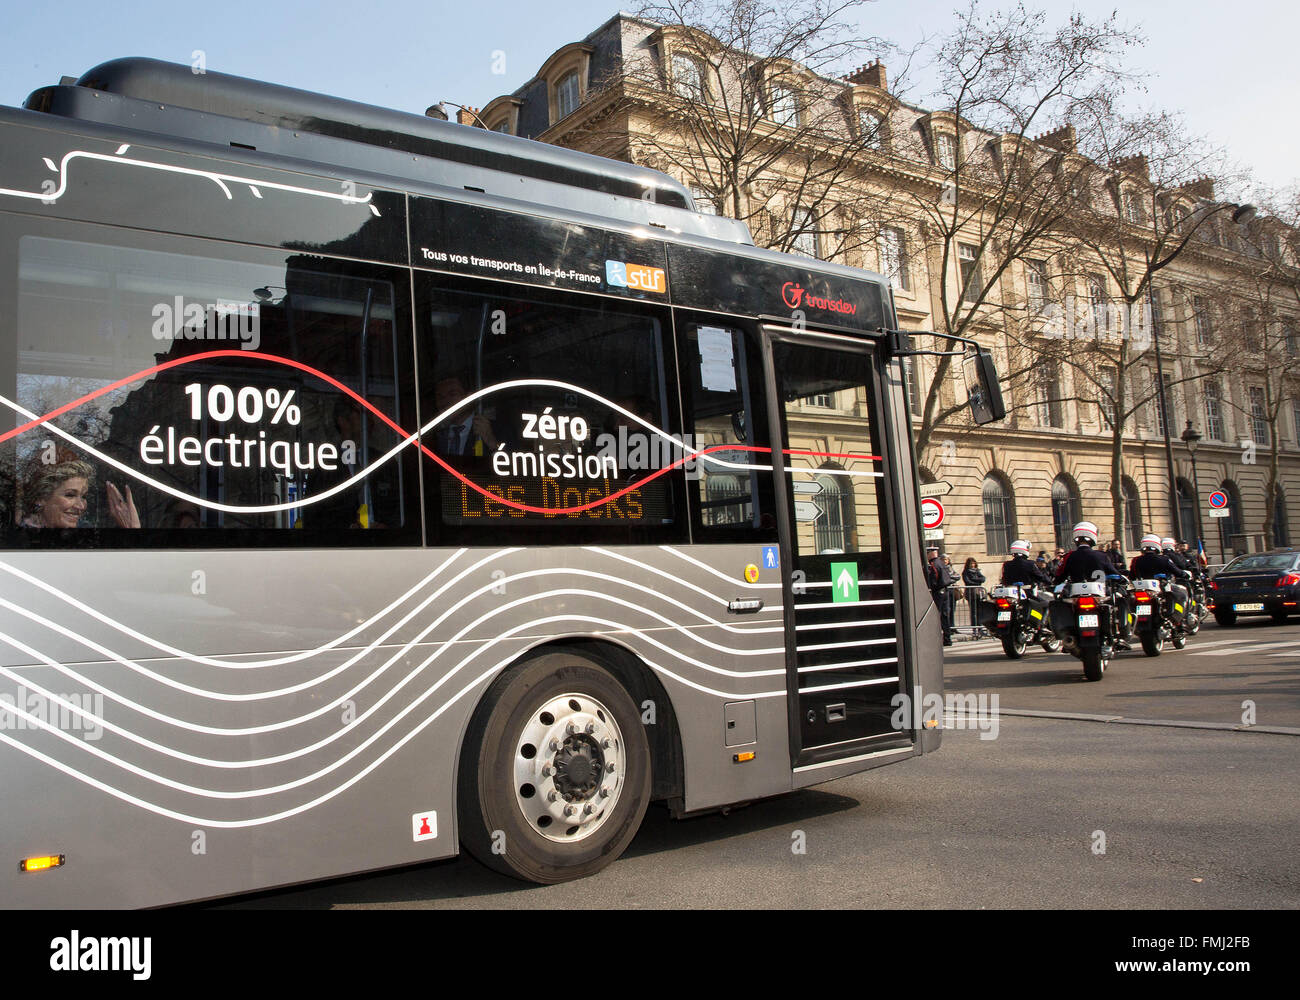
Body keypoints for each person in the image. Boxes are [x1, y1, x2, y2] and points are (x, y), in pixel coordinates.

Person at [21, 460, 139, 529]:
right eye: (70, 495)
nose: (81, 506)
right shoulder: (21, 539)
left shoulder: (86, 533)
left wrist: (131, 530)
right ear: (41, 498)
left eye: (84, 497)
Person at [432, 373, 498, 457]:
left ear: (469, 397)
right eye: (440, 396)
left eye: (452, 394)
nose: (445, 401)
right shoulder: (434, 434)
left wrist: (491, 442)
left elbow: (510, 464)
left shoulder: (492, 429)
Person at [926, 545, 955, 645]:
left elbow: (933, 580)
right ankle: (947, 638)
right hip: (945, 591)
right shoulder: (941, 563)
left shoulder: (934, 564)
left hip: (938, 592)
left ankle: (937, 638)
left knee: (936, 615)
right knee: (945, 615)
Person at [962, 556, 986, 632]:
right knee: (973, 611)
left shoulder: (977, 571)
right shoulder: (966, 572)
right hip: (971, 593)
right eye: (971, 563)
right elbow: (968, 582)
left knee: (979, 611)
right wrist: (977, 581)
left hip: (978, 593)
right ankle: (974, 628)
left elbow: (983, 578)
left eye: (974, 563)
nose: (973, 565)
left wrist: (976, 580)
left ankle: (979, 626)